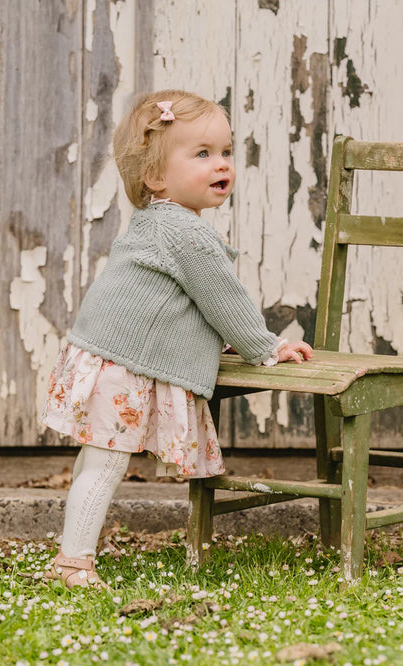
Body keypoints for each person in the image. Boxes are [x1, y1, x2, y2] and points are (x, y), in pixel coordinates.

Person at [41, 90, 313, 590]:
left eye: (226, 152)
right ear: (156, 177)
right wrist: (264, 347)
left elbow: (173, 307)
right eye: (203, 154)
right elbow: (222, 299)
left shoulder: (158, 224)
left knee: (96, 462)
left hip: (105, 356)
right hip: (121, 365)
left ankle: (71, 556)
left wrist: (218, 345)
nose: (221, 164)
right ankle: (71, 563)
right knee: (104, 467)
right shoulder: (186, 234)